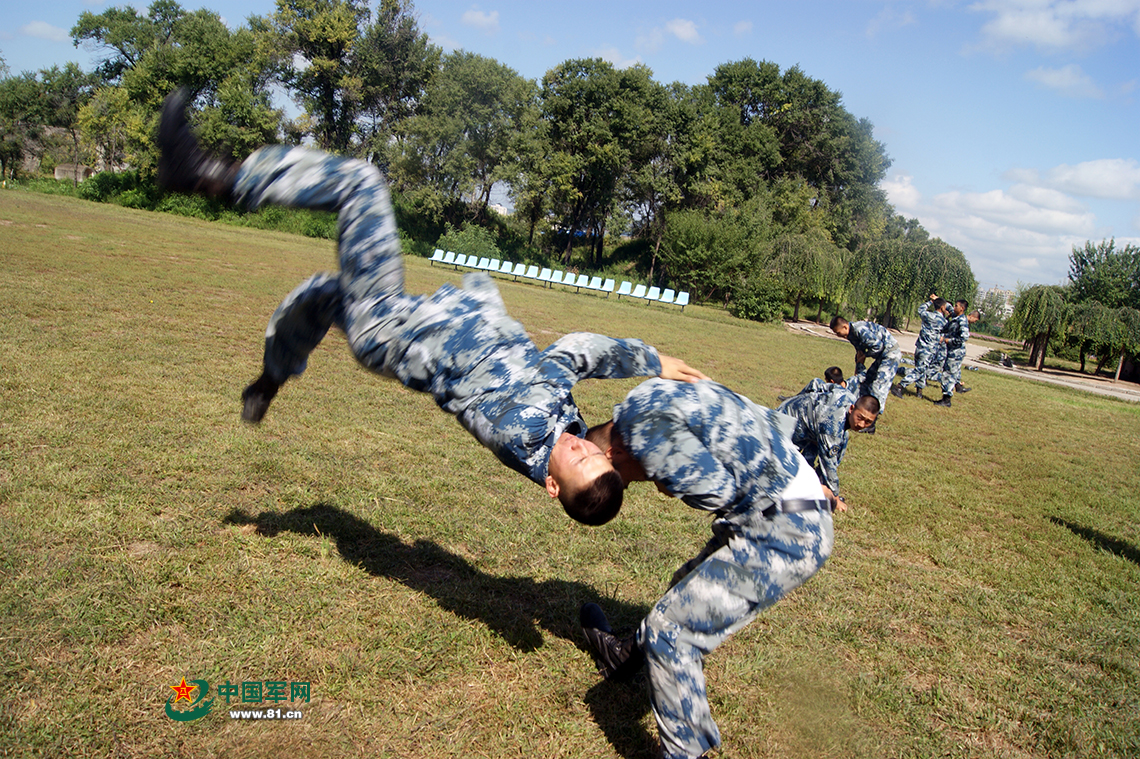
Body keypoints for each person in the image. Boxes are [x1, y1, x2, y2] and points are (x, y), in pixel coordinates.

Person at [156, 89, 706, 516]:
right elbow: (584, 424)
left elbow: (575, 353)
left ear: (551, 483)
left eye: (580, 462)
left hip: (390, 325)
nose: (587, 451)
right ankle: (270, 380)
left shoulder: (532, 429)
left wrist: (651, 363)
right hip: (405, 328)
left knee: (361, 183)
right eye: (595, 457)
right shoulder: (562, 431)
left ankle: (210, 176)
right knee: (321, 294)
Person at [575, 379, 835, 759]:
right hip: (777, 512)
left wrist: (669, 481)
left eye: (624, 480)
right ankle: (624, 655)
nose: (632, 484)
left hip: (788, 531)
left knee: (672, 632)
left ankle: (685, 752)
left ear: (614, 454)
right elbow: (761, 420)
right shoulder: (643, 400)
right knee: (685, 587)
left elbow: (718, 491)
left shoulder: (645, 439)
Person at [778, 384, 879, 511]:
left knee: (842, 439)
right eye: (860, 418)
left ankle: (815, 483)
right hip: (787, 421)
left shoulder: (849, 397)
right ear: (851, 409)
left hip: (811, 427)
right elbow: (828, 464)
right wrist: (835, 499)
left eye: (868, 422)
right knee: (784, 471)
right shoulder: (833, 426)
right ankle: (812, 488)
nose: (861, 424)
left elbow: (821, 384)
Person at [828, 316, 901, 413]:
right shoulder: (851, 335)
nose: (838, 335)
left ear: (845, 327)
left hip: (890, 353)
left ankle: (873, 416)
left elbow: (878, 346)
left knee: (878, 385)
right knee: (867, 380)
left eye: (838, 332)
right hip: (881, 355)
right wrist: (858, 368)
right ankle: (864, 407)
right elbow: (859, 353)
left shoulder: (859, 329)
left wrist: (865, 355)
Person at [892, 294, 950, 399]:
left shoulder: (927, 315)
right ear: (942, 307)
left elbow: (920, 309)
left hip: (919, 347)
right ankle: (899, 387)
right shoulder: (943, 321)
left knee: (921, 369)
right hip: (929, 350)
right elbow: (951, 320)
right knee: (920, 371)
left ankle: (919, 391)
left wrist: (931, 302)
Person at [933, 303, 980, 408]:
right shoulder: (956, 317)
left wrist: (948, 340)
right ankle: (947, 397)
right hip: (952, 352)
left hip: (956, 352)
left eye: (956, 306)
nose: (954, 308)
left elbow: (964, 338)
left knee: (948, 375)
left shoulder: (962, 321)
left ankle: (946, 400)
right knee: (949, 374)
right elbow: (948, 309)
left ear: (962, 308)